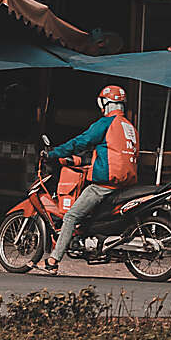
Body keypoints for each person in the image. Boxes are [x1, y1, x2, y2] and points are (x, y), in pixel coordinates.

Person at [40, 85, 139, 274]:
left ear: (105, 103)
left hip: (106, 184)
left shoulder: (106, 123)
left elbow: (81, 142)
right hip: (125, 182)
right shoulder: (129, 127)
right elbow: (112, 151)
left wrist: (54, 153)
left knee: (71, 216)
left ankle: (53, 261)